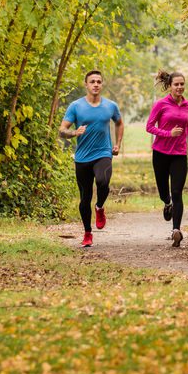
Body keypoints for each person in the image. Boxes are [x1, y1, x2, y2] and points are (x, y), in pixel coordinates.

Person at [59, 70, 123, 247]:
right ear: (86, 85)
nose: (96, 84)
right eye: (92, 81)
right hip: (82, 158)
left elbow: (119, 122)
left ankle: (100, 207)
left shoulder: (110, 106)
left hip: (103, 153)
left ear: (102, 85)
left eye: (99, 81)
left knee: (103, 181)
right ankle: (87, 233)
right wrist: (74, 132)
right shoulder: (76, 106)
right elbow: (62, 130)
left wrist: (117, 143)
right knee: (84, 198)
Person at [145, 69, 188, 247]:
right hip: (160, 153)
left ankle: (176, 230)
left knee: (177, 191)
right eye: (176, 84)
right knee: (164, 192)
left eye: (182, 84)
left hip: (179, 154)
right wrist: (168, 133)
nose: (179, 87)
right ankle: (166, 202)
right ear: (169, 86)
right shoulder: (160, 104)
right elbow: (149, 127)